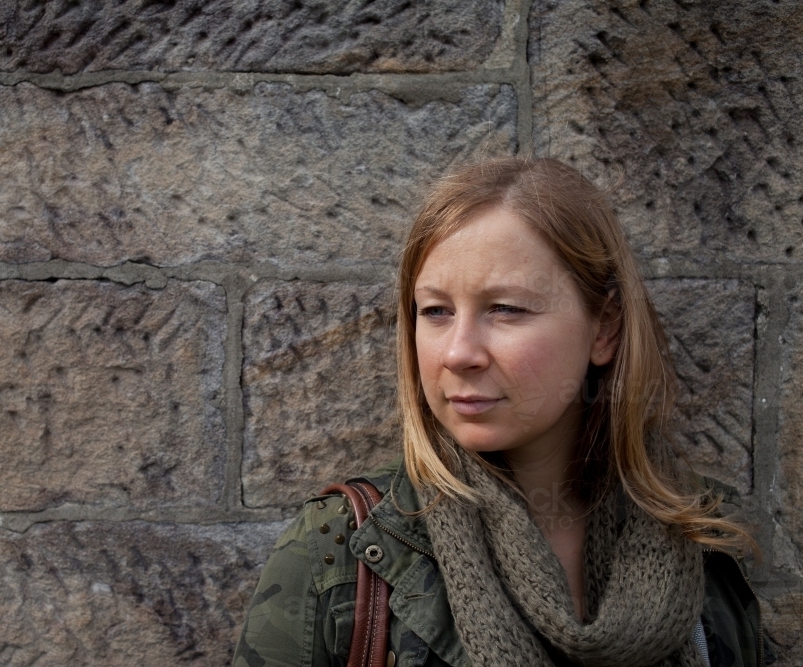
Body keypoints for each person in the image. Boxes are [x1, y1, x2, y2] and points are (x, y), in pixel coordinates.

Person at [233, 157, 774, 667]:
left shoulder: (701, 543)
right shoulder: (342, 549)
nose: (458, 353)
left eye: (505, 309)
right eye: (436, 311)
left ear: (604, 328)